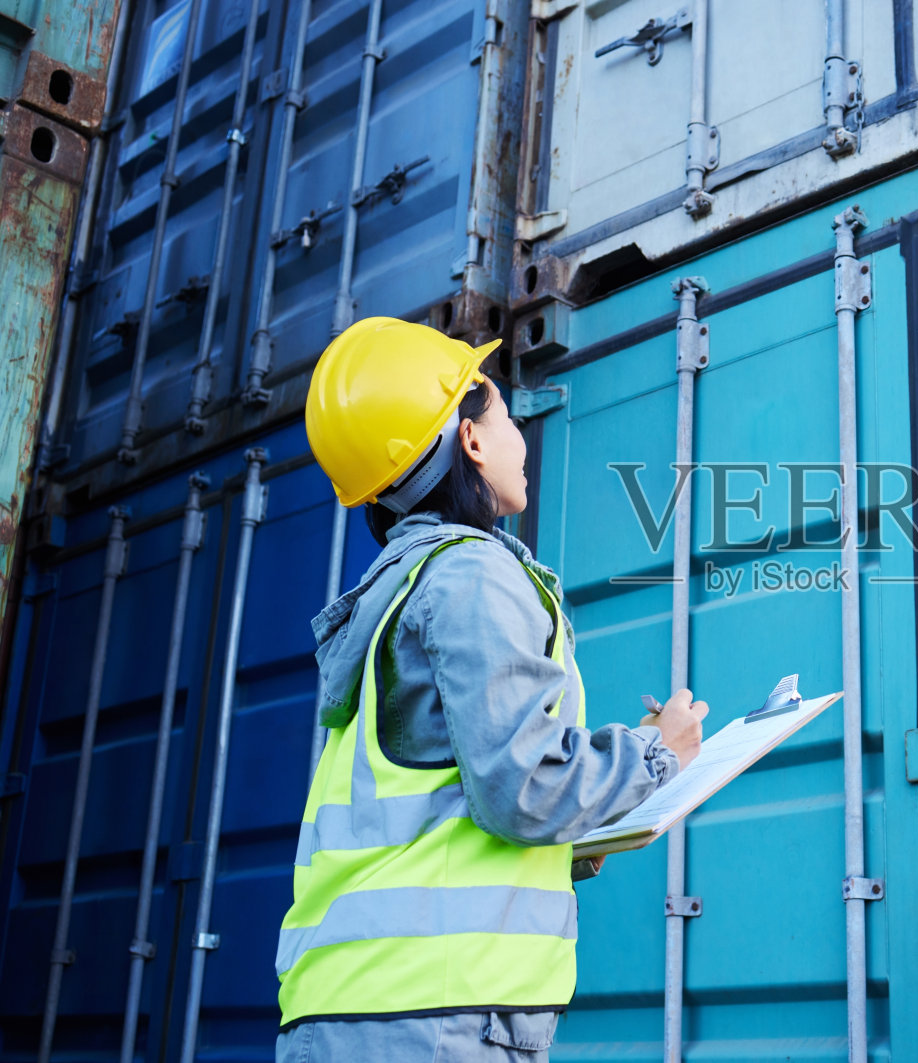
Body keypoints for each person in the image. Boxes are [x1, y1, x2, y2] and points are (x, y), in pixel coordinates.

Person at [276, 317, 708, 1061]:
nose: (520, 439)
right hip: (437, 1016)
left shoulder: (393, 600)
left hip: (347, 1011)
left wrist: (586, 835)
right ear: (470, 440)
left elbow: (440, 808)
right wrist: (655, 755)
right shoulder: (471, 574)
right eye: (505, 415)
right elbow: (522, 787)